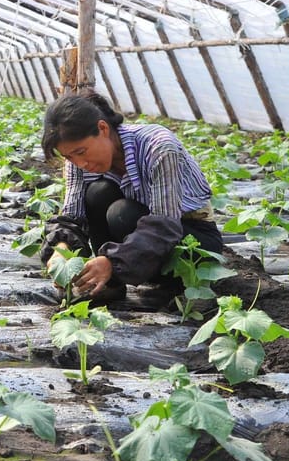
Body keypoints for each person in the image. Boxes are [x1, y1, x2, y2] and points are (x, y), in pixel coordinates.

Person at [39, 89, 223, 302]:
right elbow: (72, 215)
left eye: (81, 152)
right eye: (69, 157)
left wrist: (111, 261)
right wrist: (62, 248)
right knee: (98, 193)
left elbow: (166, 225)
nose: (80, 163)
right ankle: (109, 285)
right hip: (139, 248)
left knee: (122, 212)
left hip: (192, 244)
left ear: (103, 128)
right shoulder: (78, 163)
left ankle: (176, 287)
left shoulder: (159, 147)